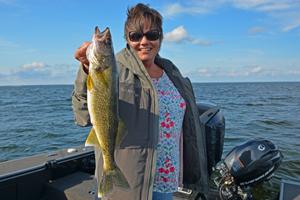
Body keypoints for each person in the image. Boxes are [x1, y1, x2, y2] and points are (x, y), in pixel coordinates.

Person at [72, 3, 209, 200]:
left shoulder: (172, 73)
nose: (144, 41)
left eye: (152, 34)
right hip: (130, 183)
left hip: (166, 180)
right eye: (136, 36)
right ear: (127, 40)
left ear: (160, 38)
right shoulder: (115, 69)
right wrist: (86, 69)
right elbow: (83, 115)